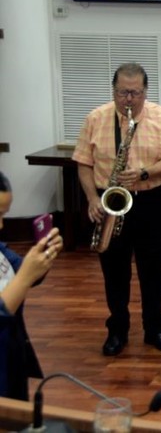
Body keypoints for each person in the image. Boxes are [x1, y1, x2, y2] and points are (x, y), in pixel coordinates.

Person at [74, 63, 161, 356]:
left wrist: (144, 173)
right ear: (113, 91)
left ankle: (155, 328)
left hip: (150, 200)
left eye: (135, 93)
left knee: (153, 269)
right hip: (109, 200)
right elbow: (83, 162)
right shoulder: (96, 118)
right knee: (114, 270)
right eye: (123, 92)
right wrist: (92, 199)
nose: (129, 99)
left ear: (145, 91)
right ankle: (117, 330)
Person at [0, 171, 63, 400]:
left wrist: (43, 258)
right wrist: (26, 276)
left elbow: (24, 271)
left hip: (11, 357)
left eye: (4, 215)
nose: (1, 225)